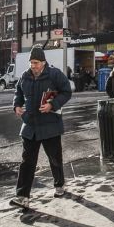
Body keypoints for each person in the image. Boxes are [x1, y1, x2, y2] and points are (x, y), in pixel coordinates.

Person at [10, 46, 73, 210]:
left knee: (55, 158)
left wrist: (52, 104)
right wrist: (16, 105)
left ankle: (59, 185)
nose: (33, 66)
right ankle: (22, 196)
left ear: (43, 62)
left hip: (50, 125)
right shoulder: (25, 76)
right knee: (27, 162)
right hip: (30, 126)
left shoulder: (54, 74)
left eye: (36, 63)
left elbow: (66, 92)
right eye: (31, 63)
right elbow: (18, 92)